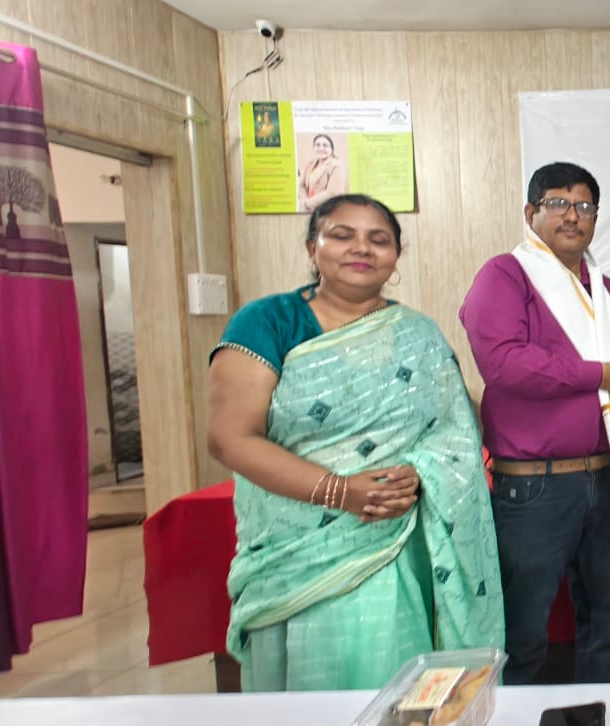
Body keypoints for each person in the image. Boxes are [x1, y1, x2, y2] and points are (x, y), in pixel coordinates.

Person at [206, 194, 503, 691]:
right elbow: (230, 438)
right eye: (342, 235)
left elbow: (455, 429)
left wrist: (420, 470)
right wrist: (342, 492)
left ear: (396, 257)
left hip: (395, 541)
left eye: (378, 239)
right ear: (312, 248)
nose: (361, 248)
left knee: (391, 680)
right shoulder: (268, 323)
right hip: (298, 549)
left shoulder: (418, 334)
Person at [460, 161, 610, 685]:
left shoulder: (608, 291)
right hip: (536, 487)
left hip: (609, 478)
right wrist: (605, 373)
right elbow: (504, 364)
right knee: (523, 636)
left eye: (584, 206)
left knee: (605, 625)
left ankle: (591, 716)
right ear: (530, 213)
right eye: (557, 203)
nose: (572, 215)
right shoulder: (504, 276)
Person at [298, 134, 347, 212]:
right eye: (317, 145)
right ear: (314, 148)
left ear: (331, 149)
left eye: (325, 145)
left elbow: (333, 192)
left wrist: (308, 203)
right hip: (308, 209)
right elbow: (301, 185)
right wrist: (305, 201)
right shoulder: (310, 163)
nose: (321, 148)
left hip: (327, 211)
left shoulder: (336, 166)